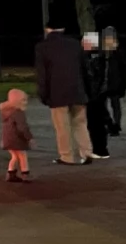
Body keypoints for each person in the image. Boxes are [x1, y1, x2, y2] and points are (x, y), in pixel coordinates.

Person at [35, 18, 93, 165]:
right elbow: (85, 70)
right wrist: (88, 91)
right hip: (78, 92)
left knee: (62, 127)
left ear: (47, 29)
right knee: (80, 124)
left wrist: (43, 95)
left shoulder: (43, 47)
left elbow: (43, 75)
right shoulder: (75, 45)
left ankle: (67, 156)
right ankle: (86, 153)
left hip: (57, 94)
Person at [83, 36, 112, 158]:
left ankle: (98, 148)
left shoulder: (91, 59)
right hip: (98, 95)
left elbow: (92, 78)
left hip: (93, 96)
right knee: (98, 122)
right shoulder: (101, 58)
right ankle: (101, 148)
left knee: (94, 123)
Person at [0, 89, 33, 182]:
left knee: (14, 156)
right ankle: (25, 174)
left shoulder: (6, 111)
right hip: (16, 139)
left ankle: (11, 173)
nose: (26, 102)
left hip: (7, 139)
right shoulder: (18, 112)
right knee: (22, 156)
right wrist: (29, 138)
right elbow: (22, 127)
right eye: (23, 100)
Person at [101, 28, 126, 136]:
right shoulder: (102, 51)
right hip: (105, 82)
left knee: (114, 104)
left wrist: (124, 84)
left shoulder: (118, 52)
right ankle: (110, 124)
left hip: (113, 83)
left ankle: (115, 125)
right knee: (104, 105)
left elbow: (123, 70)